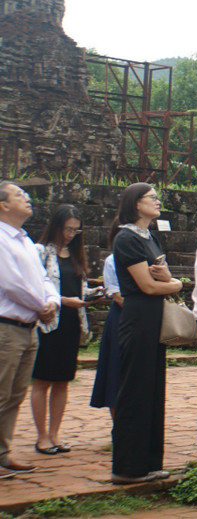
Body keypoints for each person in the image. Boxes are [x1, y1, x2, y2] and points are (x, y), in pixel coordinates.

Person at [109, 182, 183, 484]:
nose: (157, 202)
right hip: (138, 317)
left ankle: (149, 462)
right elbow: (149, 285)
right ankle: (127, 466)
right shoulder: (126, 238)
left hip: (153, 319)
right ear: (135, 203)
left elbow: (160, 275)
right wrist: (178, 284)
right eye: (151, 198)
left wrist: (169, 279)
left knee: (152, 390)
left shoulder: (149, 236)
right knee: (135, 391)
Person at [0, 181, 60, 478]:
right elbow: (11, 284)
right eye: (19, 195)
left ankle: (3, 452)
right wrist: (42, 306)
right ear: (3, 205)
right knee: (1, 392)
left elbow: (44, 278)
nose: (27, 199)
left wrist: (51, 301)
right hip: (6, 328)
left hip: (28, 327)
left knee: (15, 394)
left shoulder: (25, 240)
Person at [30, 204, 100, 455]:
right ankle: (41, 436)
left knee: (62, 381)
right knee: (42, 380)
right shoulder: (40, 252)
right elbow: (35, 288)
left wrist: (93, 295)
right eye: (68, 229)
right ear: (56, 227)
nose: (71, 234)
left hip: (71, 323)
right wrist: (63, 301)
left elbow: (78, 290)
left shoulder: (74, 254)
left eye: (75, 229)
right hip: (47, 324)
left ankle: (55, 434)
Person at [89, 253, 123, 418]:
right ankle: (118, 424)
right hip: (124, 317)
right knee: (115, 370)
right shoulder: (112, 260)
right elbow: (117, 295)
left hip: (141, 317)